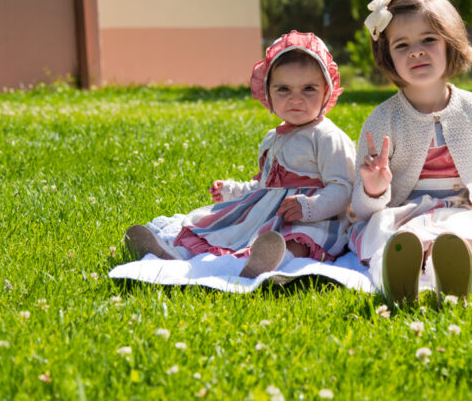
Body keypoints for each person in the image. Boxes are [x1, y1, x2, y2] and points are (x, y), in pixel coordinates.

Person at [124, 31, 356, 278]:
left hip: (313, 218)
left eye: (308, 88)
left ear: (326, 91)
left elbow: (343, 186)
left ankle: (273, 262)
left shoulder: (327, 136)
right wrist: (232, 191)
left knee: (301, 238)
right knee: (221, 227)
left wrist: (310, 207)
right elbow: (265, 186)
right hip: (267, 214)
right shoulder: (273, 137)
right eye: (283, 89)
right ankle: (175, 254)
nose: (296, 99)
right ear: (268, 93)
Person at [348, 0, 472, 305]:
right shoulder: (383, 120)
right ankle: (401, 272)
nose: (416, 52)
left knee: (467, 232)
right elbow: (363, 209)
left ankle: (447, 266)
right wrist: (373, 188)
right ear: (387, 55)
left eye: (428, 40)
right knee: (391, 236)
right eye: (402, 44)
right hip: (402, 213)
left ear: (450, 43)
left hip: (459, 211)